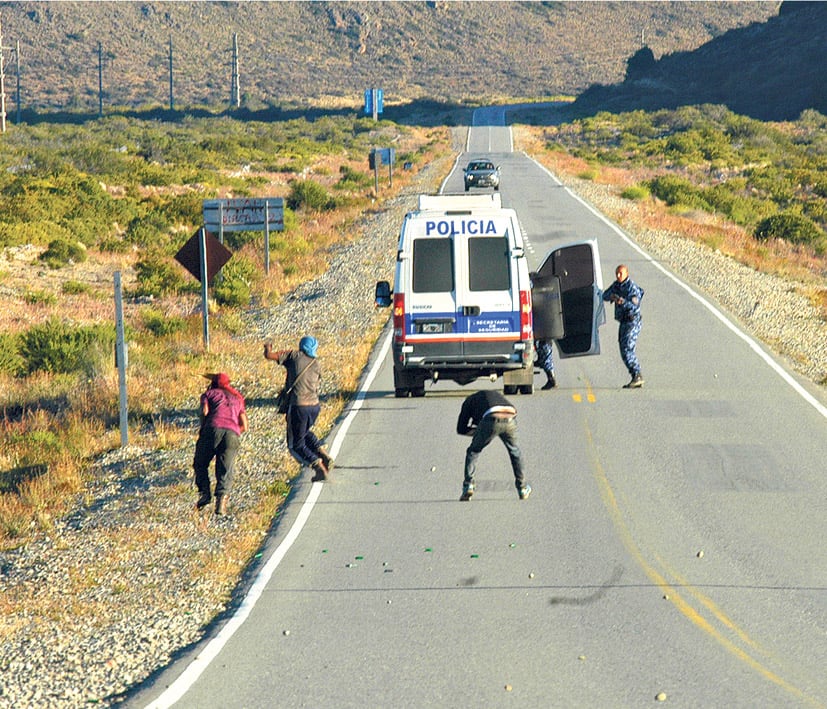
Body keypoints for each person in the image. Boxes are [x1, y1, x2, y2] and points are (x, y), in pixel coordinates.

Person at [263, 335, 334, 481]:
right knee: (303, 432)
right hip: (314, 407)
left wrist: (267, 347)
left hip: (298, 406)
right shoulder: (316, 364)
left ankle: (317, 465)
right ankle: (321, 452)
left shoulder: (293, 356)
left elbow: (269, 356)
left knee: (295, 445)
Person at [456, 389, 531, 501]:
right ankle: (523, 488)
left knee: (473, 451)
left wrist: (479, 433)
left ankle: (468, 485)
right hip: (510, 416)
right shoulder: (492, 396)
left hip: (491, 418)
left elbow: (461, 429)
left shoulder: (468, 402)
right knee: (515, 451)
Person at [193, 372, 248, 515]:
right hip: (232, 434)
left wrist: (203, 427)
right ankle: (221, 505)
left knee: (200, 462)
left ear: (214, 383)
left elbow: (204, 412)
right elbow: (245, 425)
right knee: (226, 469)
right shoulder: (237, 398)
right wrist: (234, 431)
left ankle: (205, 493)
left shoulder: (209, 394)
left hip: (212, 429)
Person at [602, 263, 645, 388]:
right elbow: (605, 295)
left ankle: (637, 375)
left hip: (633, 321)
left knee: (627, 349)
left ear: (627, 274)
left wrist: (622, 301)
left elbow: (635, 304)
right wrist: (611, 296)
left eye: (621, 273)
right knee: (623, 349)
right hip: (624, 322)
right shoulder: (616, 286)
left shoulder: (632, 288)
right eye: (617, 273)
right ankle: (635, 375)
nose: (618, 275)